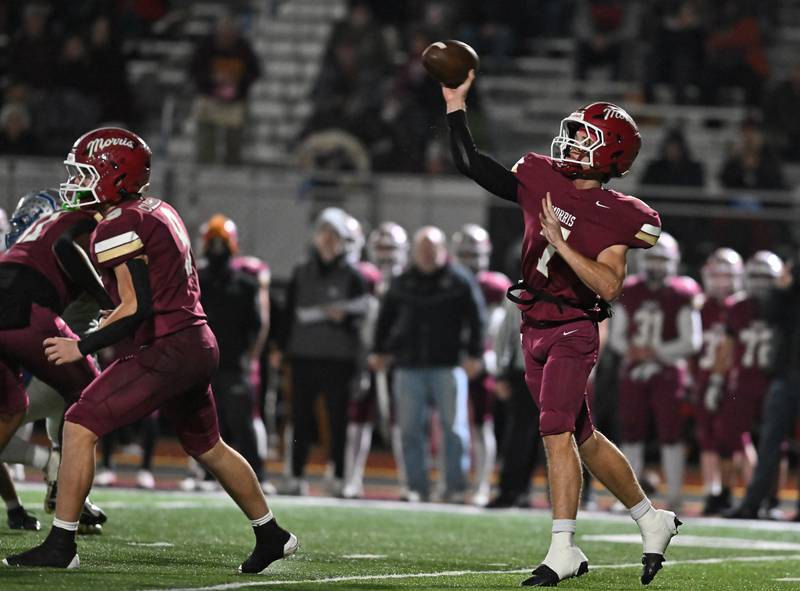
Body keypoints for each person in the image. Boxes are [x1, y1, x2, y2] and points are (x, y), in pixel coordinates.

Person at [4, 127, 297, 571]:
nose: (77, 182)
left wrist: (81, 343)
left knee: (79, 423)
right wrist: (114, 315)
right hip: (197, 340)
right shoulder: (156, 209)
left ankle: (61, 545)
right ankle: (272, 533)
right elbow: (144, 294)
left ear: (113, 175)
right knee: (208, 446)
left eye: (85, 173)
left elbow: (136, 307)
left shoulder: (116, 225)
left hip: (167, 346)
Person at [444, 70, 680, 586]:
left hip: (575, 325)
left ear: (609, 153)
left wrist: (563, 241)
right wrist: (455, 104)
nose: (570, 142)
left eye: (583, 138)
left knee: (553, 429)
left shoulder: (621, 214)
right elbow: (470, 164)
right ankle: (651, 519)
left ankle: (563, 548)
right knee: (582, 435)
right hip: (533, 322)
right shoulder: (541, 176)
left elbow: (610, 285)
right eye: (572, 133)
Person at [371, 226, 485, 503]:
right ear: (413, 251)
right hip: (409, 365)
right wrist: (379, 350)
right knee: (409, 429)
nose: (427, 254)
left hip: (448, 364)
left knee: (453, 430)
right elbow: (385, 319)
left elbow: (476, 318)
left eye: (431, 249)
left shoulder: (459, 280)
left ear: (443, 250)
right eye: (422, 249)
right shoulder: (402, 282)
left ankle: (454, 487)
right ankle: (415, 487)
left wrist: (474, 354)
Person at [276, 207, 368, 496]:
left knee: (337, 421)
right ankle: (296, 474)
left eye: (333, 235)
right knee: (300, 420)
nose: (328, 241)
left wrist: (347, 319)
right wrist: (281, 348)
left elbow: (363, 317)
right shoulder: (302, 272)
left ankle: (339, 475)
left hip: (339, 358)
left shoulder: (354, 275)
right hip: (303, 355)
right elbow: (288, 314)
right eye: (324, 234)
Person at [608, 233, 703, 510]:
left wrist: (656, 352)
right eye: (652, 258)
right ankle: (629, 497)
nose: (657, 265)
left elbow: (692, 340)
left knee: (671, 433)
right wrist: (632, 351)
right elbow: (616, 337)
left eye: (663, 259)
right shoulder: (630, 289)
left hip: (668, 371)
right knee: (631, 432)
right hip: (635, 370)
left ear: (674, 263)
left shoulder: (682, 293)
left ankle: (674, 495)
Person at [198, 214, 269, 490]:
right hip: (204, 364)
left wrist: (248, 357)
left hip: (233, 363)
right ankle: (206, 475)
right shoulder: (198, 280)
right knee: (205, 423)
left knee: (242, 422)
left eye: (221, 242)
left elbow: (256, 325)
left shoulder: (245, 284)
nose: (216, 248)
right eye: (212, 242)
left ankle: (258, 475)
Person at [724, 252, 789, 520]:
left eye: (767, 277)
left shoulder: (783, 305)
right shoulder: (737, 306)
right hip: (745, 381)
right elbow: (727, 348)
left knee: (777, 443)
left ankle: (772, 499)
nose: (761, 283)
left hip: (772, 378)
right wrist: (721, 378)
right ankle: (746, 494)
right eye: (757, 276)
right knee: (735, 438)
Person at [450, 223, 512, 506]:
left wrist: (488, 361)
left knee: (481, 425)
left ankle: (482, 483)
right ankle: (451, 482)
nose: (471, 260)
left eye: (475, 253)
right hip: (453, 361)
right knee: (449, 425)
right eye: (465, 253)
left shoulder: (494, 286)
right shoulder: (449, 282)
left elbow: (499, 330)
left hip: (482, 363)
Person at [693, 248, 744, 515]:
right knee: (707, 438)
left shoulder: (743, 306)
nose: (722, 282)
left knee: (738, 441)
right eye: (717, 275)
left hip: (735, 381)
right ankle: (712, 491)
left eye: (727, 276)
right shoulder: (701, 305)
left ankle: (746, 492)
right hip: (704, 378)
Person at [488, 296, 541, 509]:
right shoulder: (520, 293)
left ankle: (534, 492)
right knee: (519, 436)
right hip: (525, 371)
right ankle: (510, 490)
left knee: (553, 438)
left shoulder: (569, 287)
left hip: (557, 371)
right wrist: (500, 373)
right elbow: (504, 336)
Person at [190, 15, 260, 164]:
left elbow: (255, 72)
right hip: (209, 96)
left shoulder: (243, 48)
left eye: (230, 36)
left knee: (234, 137)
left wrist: (238, 79)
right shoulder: (205, 47)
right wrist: (211, 79)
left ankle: (232, 163)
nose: (227, 40)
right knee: (206, 136)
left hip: (235, 99)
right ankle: (205, 163)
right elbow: (194, 70)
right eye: (223, 36)